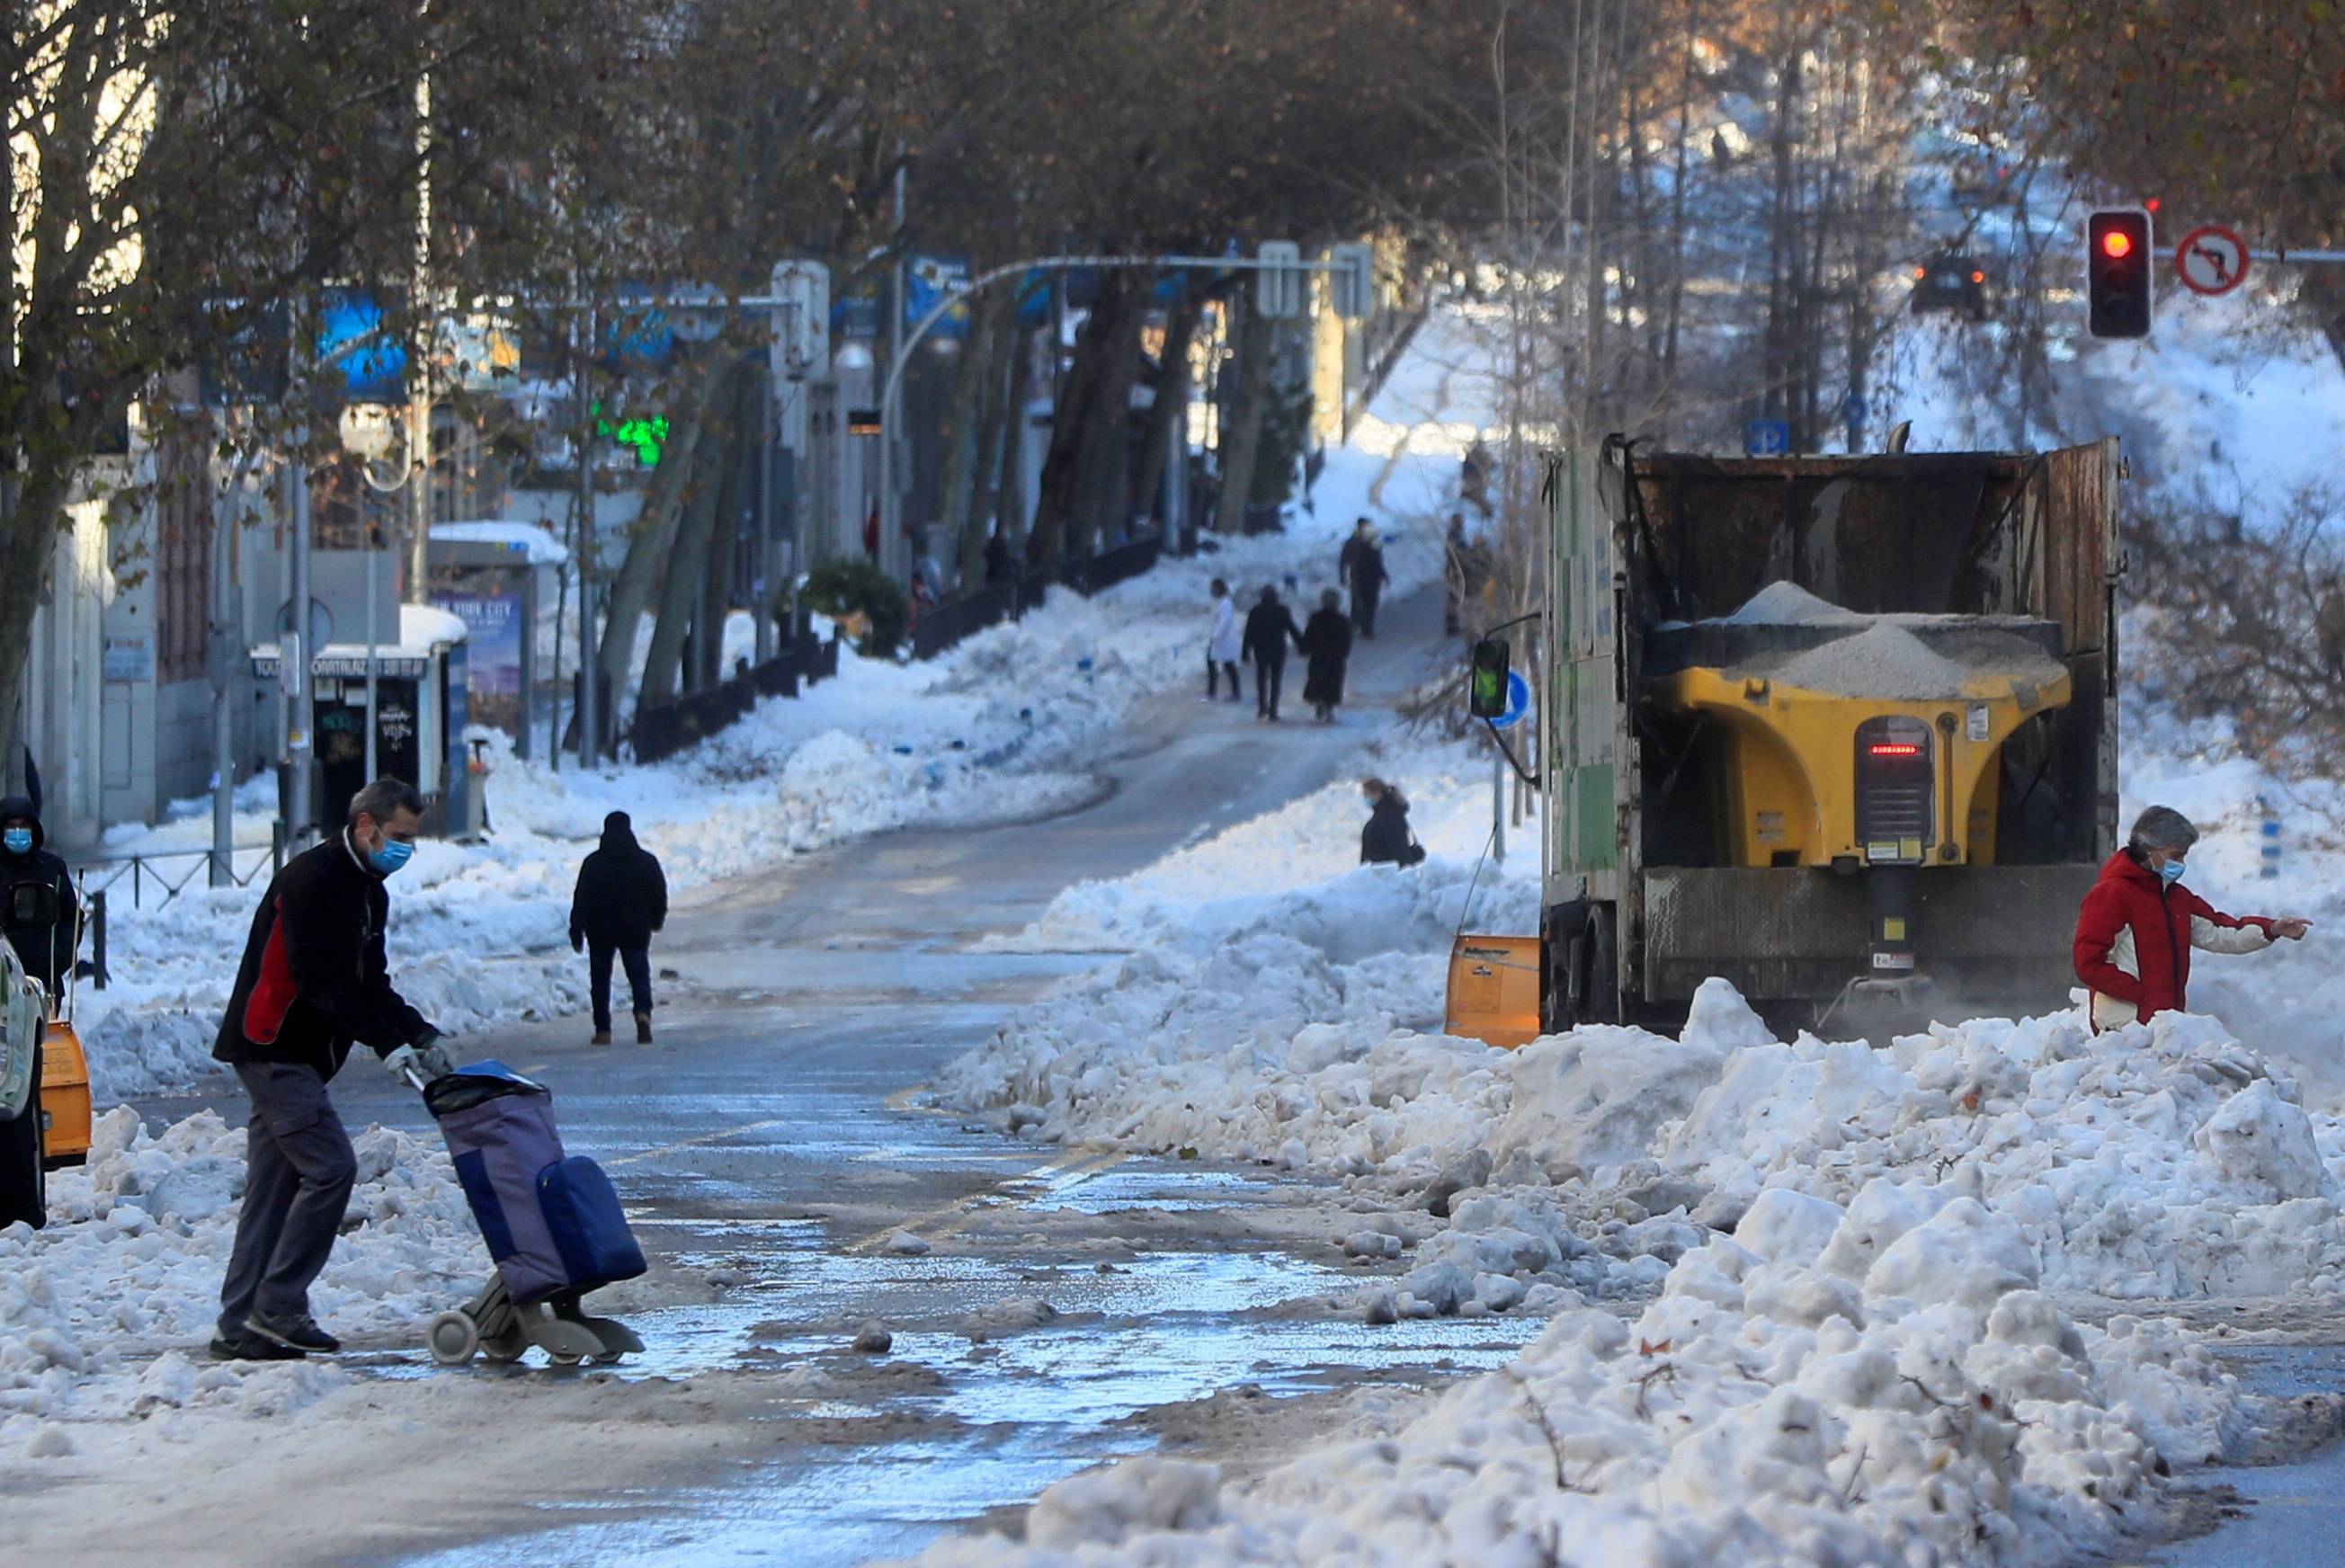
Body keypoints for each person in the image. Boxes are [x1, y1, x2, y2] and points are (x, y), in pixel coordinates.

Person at [211, 778, 451, 1360]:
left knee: (272, 1189)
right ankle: (279, 1308)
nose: (404, 851)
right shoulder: (312, 880)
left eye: (412, 840)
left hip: (301, 1055)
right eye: (398, 837)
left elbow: (370, 985)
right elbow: (321, 985)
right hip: (272, 1045)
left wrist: (415, 1033)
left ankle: (240, 1322)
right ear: (366, 825)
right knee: (331, 1169)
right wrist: (382, 1043)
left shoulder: (370, 891)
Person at [2073, 805, 2309, 1031]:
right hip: (2121, 1029)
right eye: (2175, 855)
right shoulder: (2112, 894)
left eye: (2183, 856)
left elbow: (2222, 932)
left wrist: (2272, 929)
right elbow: (2089, 962)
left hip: (2163, 1026)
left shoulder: (2177, 898)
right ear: (2149, 848)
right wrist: (2140, 993)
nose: (2181, 864)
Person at [570, 810, 669, 1045]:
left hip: (600, 930)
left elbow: (581, 898)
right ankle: (643, 1014)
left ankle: (603, 1030)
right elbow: (658, 894)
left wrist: (577, 927)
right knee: (639, 975)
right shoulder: (646, 861)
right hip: (635, 929)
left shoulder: (593, 863)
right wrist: (656, 920)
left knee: (601, 980)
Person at [0, 795, 79, 995]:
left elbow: (71, 916)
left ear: (33, 829)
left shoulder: (51, 867)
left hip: (44, 977)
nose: (17, 832)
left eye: (23, 826)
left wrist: (61, 955)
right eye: (11, 826)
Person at [1242, 585, 1303, 722]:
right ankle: (1273, 709)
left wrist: (1245, 652)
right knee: (1276, 679)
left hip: (1261, 649)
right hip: (1278, 649)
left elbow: (1249, 633)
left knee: (1261, 678)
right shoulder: (1282, 611)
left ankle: (1262, 706)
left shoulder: (1255, 611)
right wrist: (1302, 645)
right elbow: (1292, 629)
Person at [1298, 588, 1354, 723]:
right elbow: (1346, 639)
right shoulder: (1342, 620)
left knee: (1317, 680)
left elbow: (1309, 636)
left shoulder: (1316, 617)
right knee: (1333, 683)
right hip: (1335, 657)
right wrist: (1344, 653)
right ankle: (1329, 707)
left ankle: (1319, 702)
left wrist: (1305, 649)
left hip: (1318, 656)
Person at [1339, 519, 1388, 639]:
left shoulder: (1372, 542)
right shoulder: (1353, 542)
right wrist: (1342, 575)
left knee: (1368, 603)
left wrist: (1383, 574)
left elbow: (1378, 561)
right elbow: (1343, 560)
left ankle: (1364, 628)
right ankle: (1359, 627)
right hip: (1359, 577)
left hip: (1371, 578)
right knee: (1360, 603)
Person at [1360, 779, 1423, 866]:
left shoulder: (1389, 816)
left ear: (1377, 793)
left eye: (1366, 795)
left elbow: (1399, 848)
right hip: (1384, 872)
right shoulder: (1385, 814)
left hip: (1387, 873)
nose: (1365, 798)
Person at [1205, 578, 1243, 702]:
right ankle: (1213, 691)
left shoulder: (1226, 603)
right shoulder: (1220, 602)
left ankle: (1232, 692)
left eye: (1214, 588)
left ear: (1220, 588)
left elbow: (1224, 623)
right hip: (1219, 639)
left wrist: (1216, 636)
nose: (1212, 591)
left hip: (1224, 639)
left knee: (1227, 665)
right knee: (1215, 663)